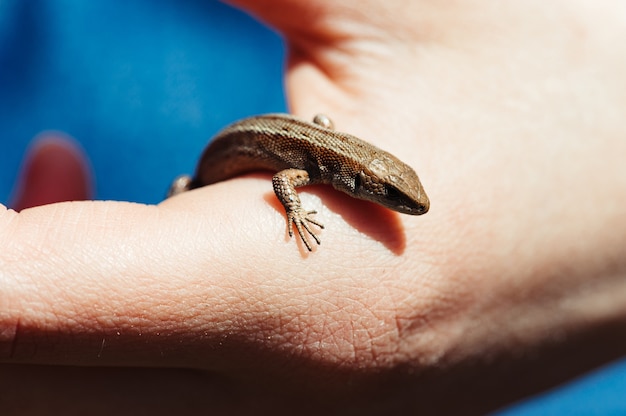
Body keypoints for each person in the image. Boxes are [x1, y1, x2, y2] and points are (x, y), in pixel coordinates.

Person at [1, 0, 625, 414]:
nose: (401, 206)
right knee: (180, 191)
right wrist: (295, 214)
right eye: (387, 192)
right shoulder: (307, 165)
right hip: (202, 176)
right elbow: (283, 184)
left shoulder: (331, 152)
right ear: (354, 175)